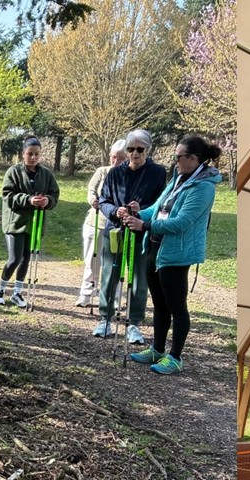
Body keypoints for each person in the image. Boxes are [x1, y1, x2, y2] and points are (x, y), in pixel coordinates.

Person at [123, 134, 221, 375]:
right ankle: (157, 349)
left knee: (177, 305)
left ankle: (175, 356)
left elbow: (182, 222)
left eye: (179, 157)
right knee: (158, 303)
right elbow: (158, 209)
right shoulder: (179, 178)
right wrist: (139, 214)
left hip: (177, 252)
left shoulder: (204, 187)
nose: (175, 162)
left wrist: (144, 226)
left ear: (194, 158)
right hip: (156, 247)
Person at [96, 129, 167, 342]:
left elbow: (160, 203)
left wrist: (141, 208)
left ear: (148, 150)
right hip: (116, 230)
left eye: (139, 149)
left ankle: (134, 323)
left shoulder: (158, 172)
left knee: (139, 279)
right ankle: (105, 318)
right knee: (109, 274)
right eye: (130, 149)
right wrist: (115, 211)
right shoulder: (115, 172)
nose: (134, 154)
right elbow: (103, 200)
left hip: (140, 231)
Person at [0, 136, 59, 308]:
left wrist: (47, 201)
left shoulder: (46, 174)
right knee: (14, 259)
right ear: (23, 154)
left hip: (34, 224)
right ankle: (0, 290)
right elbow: (7, 196)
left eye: (36, 154)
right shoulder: (14, 172)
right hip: (15, 223)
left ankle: (17, 292)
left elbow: (54, 194)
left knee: (25, 259)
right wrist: (28, 200)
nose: (33, 157)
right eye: (30, 154)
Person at [78, 139, 126, 307]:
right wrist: (93, 200)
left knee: (114, 262)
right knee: (92, 260)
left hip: (116, 225)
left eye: (120, 158)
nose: (116, 161)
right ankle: (86, 293)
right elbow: (91, 189)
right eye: (114, 157)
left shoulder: (128, 175)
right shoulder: (102, 171)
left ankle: (115, 297)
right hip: (95, 221)